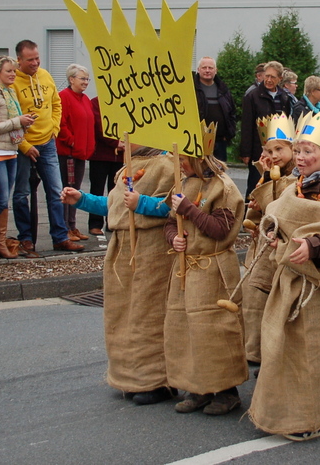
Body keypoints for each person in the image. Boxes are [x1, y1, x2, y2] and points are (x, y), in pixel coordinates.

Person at [249, 112, 320, 441]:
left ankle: (312, 412)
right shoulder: (297, 185)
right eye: (298, 151)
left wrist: (313, 246)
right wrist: (274, 233)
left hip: (316, 286)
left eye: (308, 151)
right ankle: (283, 409)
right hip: (290, 280)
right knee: (287, 348)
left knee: (314, 351)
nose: (300, 157)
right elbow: (279, 217)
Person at [61, 145, 176, 404]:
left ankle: (155, 380)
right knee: (121, 312)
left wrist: (143, 204)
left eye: (129, 134)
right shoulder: (127, 167)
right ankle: (128, 376)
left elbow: (175, 205)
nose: (121, 141)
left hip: (151, 248)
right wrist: (81, 199)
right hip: (122, 247)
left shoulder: (168, 165)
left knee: (148, 313)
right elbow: (113, 205)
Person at [165, 124, 247, 415]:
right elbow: (170, 223)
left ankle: (225, 391)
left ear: (200, 158)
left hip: (213, 269)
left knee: (214, 331)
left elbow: (219, 229)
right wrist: (174, 239)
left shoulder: (223, 188)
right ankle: (197, 387)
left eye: (185, 159)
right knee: (186, 329)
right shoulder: (185, 183)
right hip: (186, 268)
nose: (181, 165)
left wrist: (189, 209)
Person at [11, 40, 83, 254]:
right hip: (24, 145)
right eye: (30, 59)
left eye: (37, 58)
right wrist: (23, 145)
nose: (35, 62)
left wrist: (54, 127)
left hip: (47, 142)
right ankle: (26, 238)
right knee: (22, 193)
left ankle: (60, 237)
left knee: (56, 190)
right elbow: (9, 117)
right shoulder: (13, 82)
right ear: (19, 60)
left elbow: (56, 103)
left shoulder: (45, 75)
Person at [242, 113, 298, 365]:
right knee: (254, 299)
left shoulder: (297, 178)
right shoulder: (268, 173)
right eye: (269, 150)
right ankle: (255, 350)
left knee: (278, 301)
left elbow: (278, 208)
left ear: (293, 149)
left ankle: (274, 353)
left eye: (279, 149)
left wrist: (265, 189)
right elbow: (257, 211)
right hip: (262, 247)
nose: (274, 155)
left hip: (282, 247)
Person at [0, 55, 36, 260]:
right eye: (8, 71)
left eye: (13, 71)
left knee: (3, 201)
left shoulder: (10, 93)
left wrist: (24, 123)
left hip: (11, 150)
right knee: (0, 198)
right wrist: (16, 122)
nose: (13, 74)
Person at [241, 61, 291, 199]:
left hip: (278, 149)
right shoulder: (252, 96)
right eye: (267, 76)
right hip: (259, 148)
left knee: (275, 183)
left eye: (273, 77)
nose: (269, 80)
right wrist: (246, 152)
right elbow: (247, 124)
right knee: (256, 184)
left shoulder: (284, 97)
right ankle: (248, 214)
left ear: (280, 79)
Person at [57, 64, 95, 242]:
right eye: (82, 78)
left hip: (81, 152)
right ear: (71, 79)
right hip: (69, 153)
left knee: (76, 189)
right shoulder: (63, 97)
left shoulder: (85, 99)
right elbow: (60, 123)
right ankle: (65, 227)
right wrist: (71, 140)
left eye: (87, 79)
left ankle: (72, 225)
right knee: (67, 189)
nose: (86, 82)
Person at [87, 96, 124, 235]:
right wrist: (116, 143)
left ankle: (112, 221)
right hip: (100, 155)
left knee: (115, 190)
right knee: (97, 189)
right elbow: (98, 126)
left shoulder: (121, 102)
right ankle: (95, 223)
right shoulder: (96, 102)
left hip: (119, 156)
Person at [193, 57, 236, 162]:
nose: (207, 70)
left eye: (210, 68)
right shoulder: (192, 89)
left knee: (219, 174)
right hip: (198, 142)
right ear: (198, 70)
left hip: (220, 142)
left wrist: (229, 134)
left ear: (215, 71)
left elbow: (232, 113)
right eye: (204, 67)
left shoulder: (223, 89)